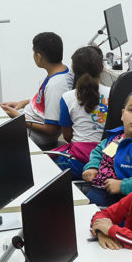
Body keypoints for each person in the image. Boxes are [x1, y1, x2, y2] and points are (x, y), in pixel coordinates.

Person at [80, 89, 132, 207]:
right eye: (131, 110)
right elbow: (99, 151)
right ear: (123, 114)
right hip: (94, 193)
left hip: (118, 205)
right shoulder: (118, 138)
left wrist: (122, 186)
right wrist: (93, 167)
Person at [0, 32, 72, 151]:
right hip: (27, 119)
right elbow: (45, 101)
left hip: (34, 137)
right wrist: (23, 103)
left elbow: (51, 129)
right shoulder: (61, 72)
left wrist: (18, 118)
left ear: (39, 56)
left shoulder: (55, 86)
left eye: (34, 53)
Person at [51, 45, 110, 178]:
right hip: (105, 160)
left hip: (76, 162)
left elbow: (67, 136)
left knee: (45, 166)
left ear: (74, 70)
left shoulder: (67, 98)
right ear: (101, 68)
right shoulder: (114, 93)